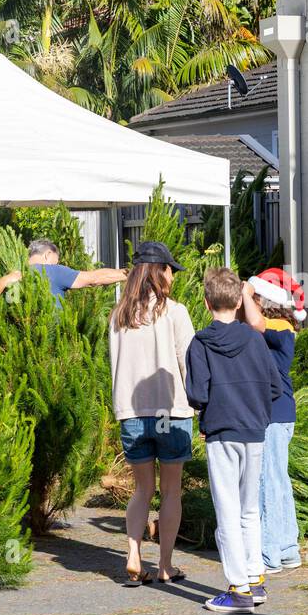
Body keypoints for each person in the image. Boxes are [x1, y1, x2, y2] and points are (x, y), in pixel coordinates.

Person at [185, 266, 282, 614]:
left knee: (227, 510)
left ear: (206, 302)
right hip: (254, 431)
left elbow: (196, 394)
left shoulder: (200, 343)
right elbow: (275, 387)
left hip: (221, 431)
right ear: (239, 301)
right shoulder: (255, 340)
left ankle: (238, 589)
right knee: (249, 509)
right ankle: (254, 580)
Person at [109, 240, 194, 586]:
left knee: (141, 490)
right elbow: (188, 362)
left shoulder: (119, 315)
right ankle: (165, 565)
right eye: (171, 270)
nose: (173, 277)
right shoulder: (175, 312)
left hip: (131, 412)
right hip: (170, 411)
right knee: (171, 491)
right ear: (159, 272)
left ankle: (133, 555)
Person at [240, 268, 307, 573]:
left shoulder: (279, 326)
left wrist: (245, 292)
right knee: (279, 480)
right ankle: (288, 548)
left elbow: (255, 322)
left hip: (274, 414)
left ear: (266, 301)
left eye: (255, 298)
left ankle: (269, 553)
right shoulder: (279, 326)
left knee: (268, 481)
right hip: (279, 414)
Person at [26, 238, 126, 301]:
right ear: (48, 254)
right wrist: (130, 273)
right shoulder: (53, 271)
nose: (56, 265)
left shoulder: (18, 272)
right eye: (55, 262)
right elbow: (95, 279)